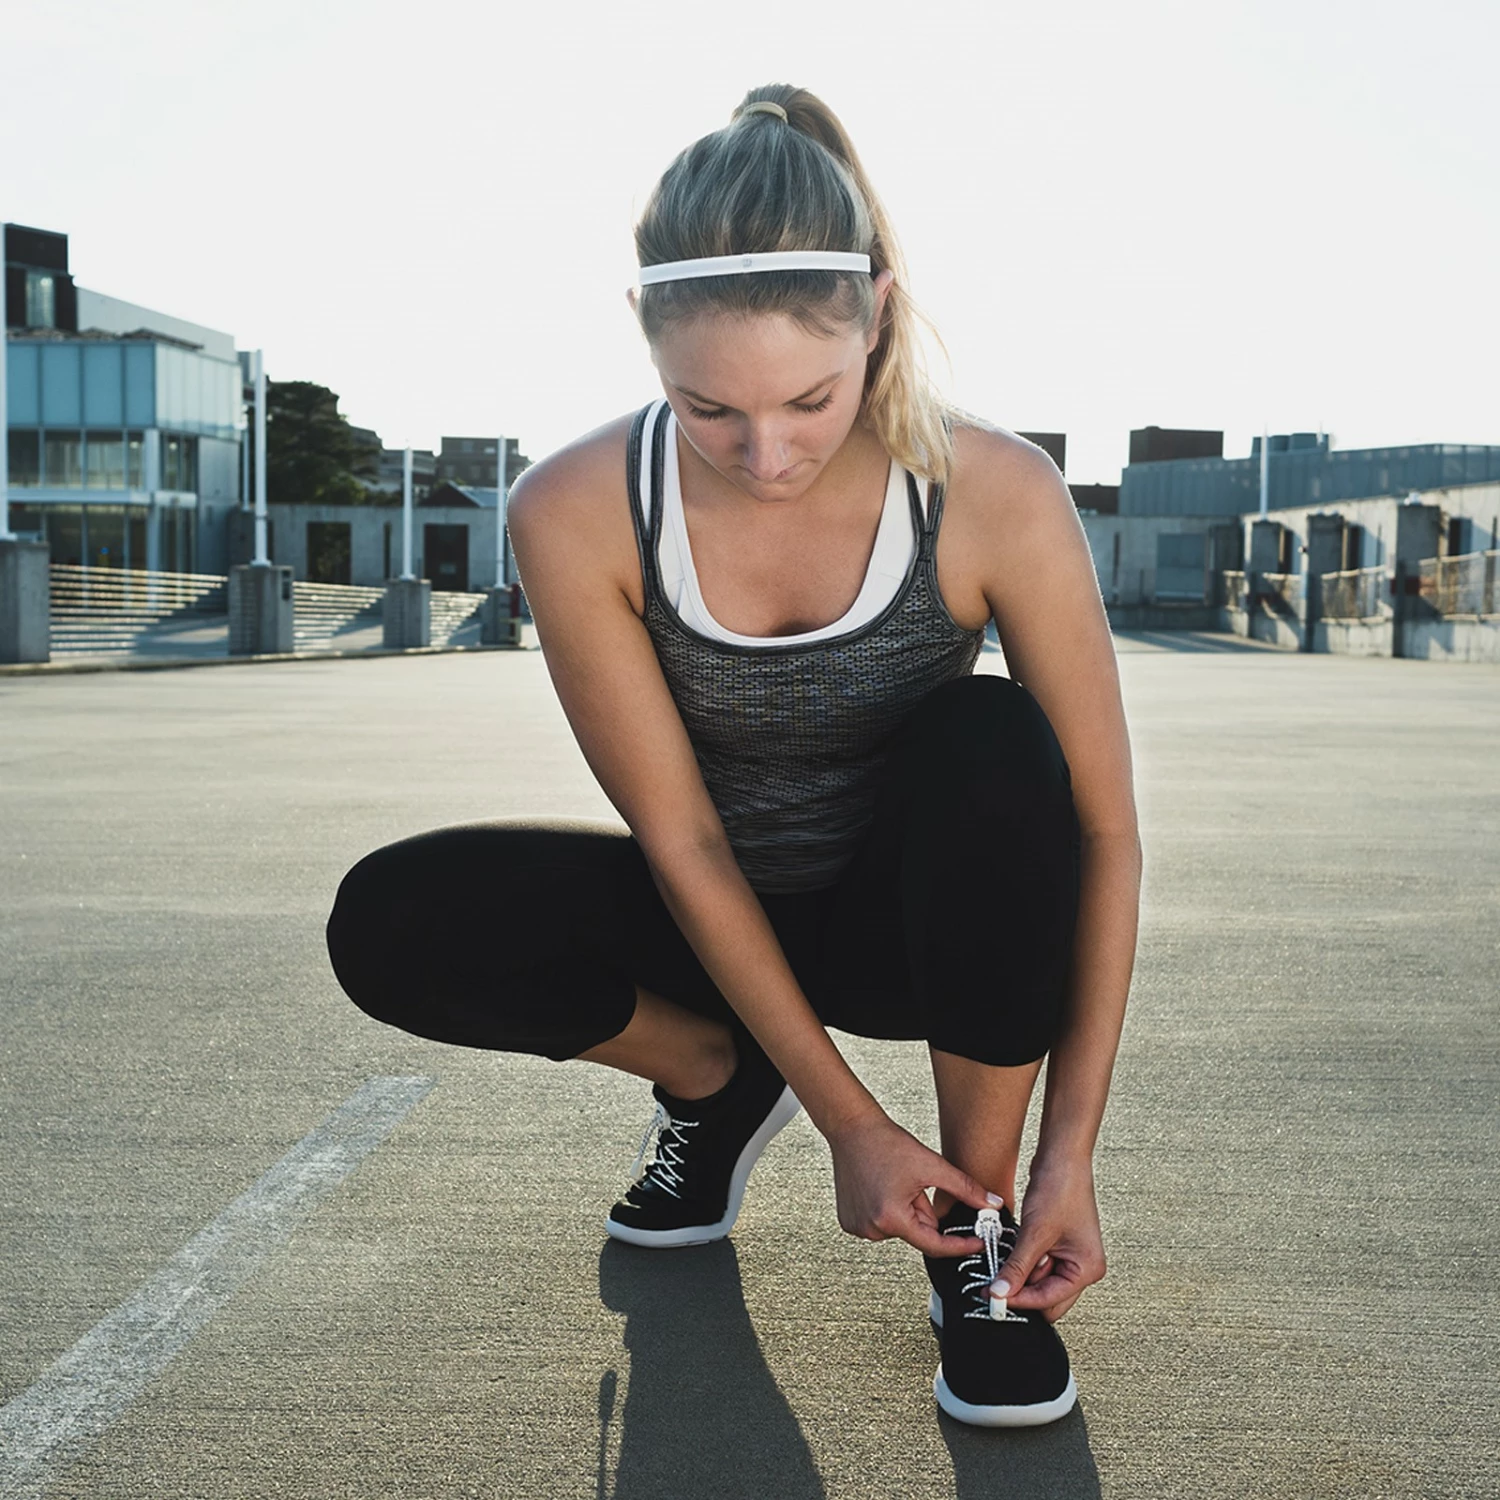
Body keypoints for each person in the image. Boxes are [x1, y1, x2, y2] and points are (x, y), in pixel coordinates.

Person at [325, 83, 1141, 1430]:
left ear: (878, 312)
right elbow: (685, 842)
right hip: (713, 911)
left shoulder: (992, 491)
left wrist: (1072, 1158)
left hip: (911, 927)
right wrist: (846, 1125)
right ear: (647, 350)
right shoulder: (579, 508)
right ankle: (720, 1079)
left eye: (811, 402)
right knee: (396, 922)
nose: (768, 455)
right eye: (709, 412)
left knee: (994, 746)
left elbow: (1105, 833)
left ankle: (979, 1235)